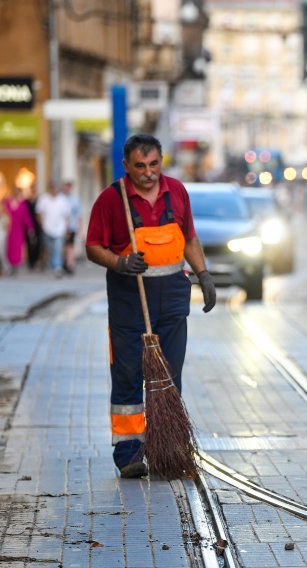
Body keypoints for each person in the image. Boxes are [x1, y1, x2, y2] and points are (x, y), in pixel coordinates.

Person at [85, 134, 217, 479]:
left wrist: (203, 274)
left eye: (154, 164)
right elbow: (92, 246)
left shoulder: (177, 191)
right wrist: (119, 262)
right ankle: (128, 452)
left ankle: (167, 450)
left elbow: (189, 237)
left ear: (162, 162)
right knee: (128, 375)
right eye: (140, 166)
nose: (148, 173)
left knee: (169, 377)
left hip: (173, 297)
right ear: (126, 166)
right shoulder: (111, 200)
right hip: (131, 298)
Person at [35, 181, 71, 277]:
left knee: (58, 248)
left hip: (59, 229)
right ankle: (53, 264)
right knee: (49, 249)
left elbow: (66, 216)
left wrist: (66, 229)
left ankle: (57, 267)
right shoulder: (43, 199)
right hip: (47, 228)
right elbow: (39, 213)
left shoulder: (63, 200)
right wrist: (42, 224)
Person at [2, 185, 34, 275]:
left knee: (17, 247)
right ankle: (10, 265)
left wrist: (30, 228)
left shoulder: (22, 204)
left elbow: (26, 217)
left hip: (18, 229)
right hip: (9, 229)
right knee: (9, 247)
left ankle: (15, 266)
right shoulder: (7, 202)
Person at [61, 180, 82, 274]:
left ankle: (70, 264)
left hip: (71, 226)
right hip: (61, 227)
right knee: (63, 247)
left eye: (69, 186)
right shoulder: (60, 198)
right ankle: (64, 263)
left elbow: (78, 214)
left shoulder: (75, 199)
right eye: (66, 186)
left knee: (70, 246)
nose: (67, 188)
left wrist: (79, 227)